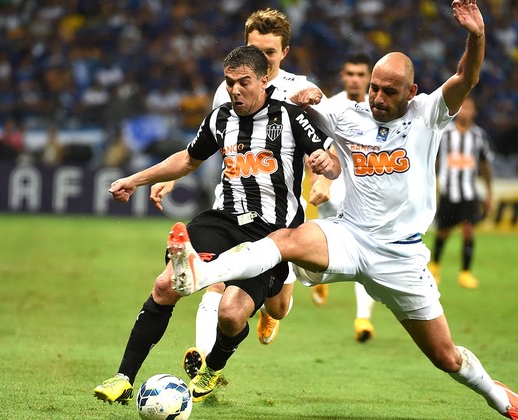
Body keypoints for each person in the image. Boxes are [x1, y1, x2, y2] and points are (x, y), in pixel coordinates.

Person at [166, 2, 518, 419]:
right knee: (285, 239)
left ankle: (502, 399)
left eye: (389, 91)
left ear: (411, 93)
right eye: (374, 89)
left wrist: (476, 37)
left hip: (400, 255)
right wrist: (310, 99)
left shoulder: (428, 115)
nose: (378, 98)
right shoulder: (347, 114)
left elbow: (466, 78)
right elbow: (305, 120)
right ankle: (201, 274)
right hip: (348, 235)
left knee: (446, 357)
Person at [93, 45, 340, 405]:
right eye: (229, 83)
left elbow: (331, 161)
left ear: (264, 79)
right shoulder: (219, 118)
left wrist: (324, 164)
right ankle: (123, 377)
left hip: (271, 235)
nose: (235, 90)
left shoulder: (288, 117)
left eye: (244, 83)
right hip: (224, 219)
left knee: (231, 313)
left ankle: (214, 365)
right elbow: (187, 159)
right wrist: (136, 179)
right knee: (165, 286)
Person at [149, 8, 328, 380]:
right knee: (217, 278)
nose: (260, 58)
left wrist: (323, 180)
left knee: (277, 307)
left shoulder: (302, 92)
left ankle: (267, 308)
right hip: (230, 203)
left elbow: (326, 145)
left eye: (269, 53)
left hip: (279, 214)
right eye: (253, 49)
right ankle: (202, 360)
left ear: (285, 53)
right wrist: (174, 178)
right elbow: (212, 139)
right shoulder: (228, 86)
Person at [308, 52, 379, 342]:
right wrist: (317, 179)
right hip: (333, 186)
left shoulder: (381, 109)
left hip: (366, 190)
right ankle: (317, 274)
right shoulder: (330, 107)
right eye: (350, 74)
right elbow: (312, 147)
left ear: (369, 78)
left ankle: (363, 318)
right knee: (326, 245)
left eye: (361, 75)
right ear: (343, 76)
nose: (355, 79)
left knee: (366, 256)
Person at [427, 97, 493, 289]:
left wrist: (489, 193)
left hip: (469, 192)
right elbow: (434, 161)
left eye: (469, 108)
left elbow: (485, 166)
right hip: (449, 191)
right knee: (443, 231)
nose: (464, 111)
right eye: (462, 107)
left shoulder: (479, 136)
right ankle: (435, 266)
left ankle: (465, 272)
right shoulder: (444, 133)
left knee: (468, 230)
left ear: (474, 112)